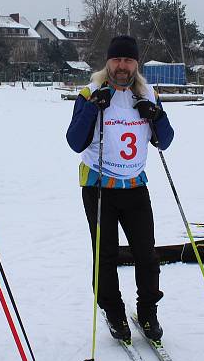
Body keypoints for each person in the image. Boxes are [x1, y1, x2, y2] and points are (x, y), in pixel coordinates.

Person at [66, 35, 174, 341]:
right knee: (106, 254)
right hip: (99, 185)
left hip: (135, 184)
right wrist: (92, 109)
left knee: (146, 253)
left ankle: (148, 312)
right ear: (108, 62)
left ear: (136, 64)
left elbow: (163, 141)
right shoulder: (89, 93)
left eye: (128, 60)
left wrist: (156, 115)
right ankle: (113, 311)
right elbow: (75, 142)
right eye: (116, 60)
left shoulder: (148, 94)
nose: (122, 66)